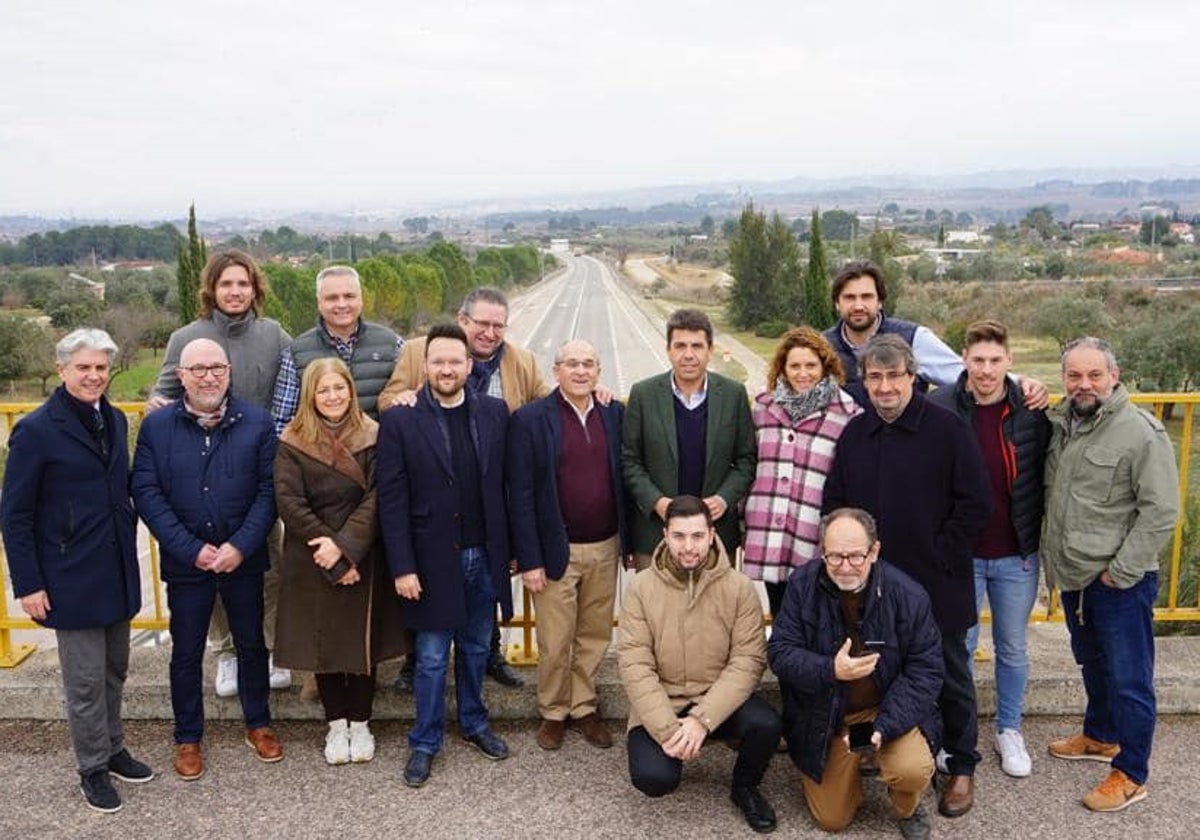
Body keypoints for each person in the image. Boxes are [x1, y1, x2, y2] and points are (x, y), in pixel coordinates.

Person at [823, 334, 991, 818]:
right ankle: (895, 750)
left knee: (951, 673)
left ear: (912, 378)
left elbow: (975, 502)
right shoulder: (856, 434)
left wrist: (941, 554)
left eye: (894, 376)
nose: (885, 387)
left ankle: (961, 765)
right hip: (872, 586)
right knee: (884, 673)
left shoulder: (948, 428)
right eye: (874, 377)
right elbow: (835, 502)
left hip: (939, 580)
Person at [1, 328, 153, 813]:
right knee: (84, 682)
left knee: (114, 671)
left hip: (115, 569)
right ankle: (91, 768)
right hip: (69, 577)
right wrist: (28, 583)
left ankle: (112, 748)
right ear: (62, 368)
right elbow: (16, 514)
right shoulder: (36, 430)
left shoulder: (112, 419)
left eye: (101, 368)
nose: (93, 376)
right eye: (83, 367)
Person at [380, 287, 548, 690]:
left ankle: (489, 656)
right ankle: (414, 664)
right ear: (462, 320)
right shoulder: (422, 351)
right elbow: (387, 398)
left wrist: (593, 394)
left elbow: (545, 407)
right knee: (430, 614)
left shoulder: (520, 361)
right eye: (481, 323)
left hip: (487, 501)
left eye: (498, 325)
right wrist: (403, 398)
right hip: (432, 499)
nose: (490, 332)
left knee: (482, 597)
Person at [132, 338, 283, 780]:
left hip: (243, 559)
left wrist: (240, 546)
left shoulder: (256, 423)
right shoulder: (157, 427)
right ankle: (187, 737)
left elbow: (268, 492)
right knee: (186, 651)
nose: (208, 376)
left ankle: (258, 724)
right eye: (197, 369)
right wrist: (190, 549)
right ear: (181, 376)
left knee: (252, 644)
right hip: (187, 564)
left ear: (229, 372)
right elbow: (147, 492)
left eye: (216, 367)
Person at [1041, 337, 1178, 812]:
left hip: (1120, 582)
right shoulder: (1064, 423)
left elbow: (1161, 511)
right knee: (1092, 663)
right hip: (1078, 577)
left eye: (1094, 375)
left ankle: (1132, 773)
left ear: (1114, 377)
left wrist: (1121, 572)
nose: (1084, 384)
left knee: (1129, 680)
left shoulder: (1140, 432)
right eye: (1074, 375)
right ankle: (1101, 736)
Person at [148, 249, 292, 698]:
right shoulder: (185, 338)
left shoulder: (275, 336)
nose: (235, 292)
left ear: (255, 289)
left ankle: (265, 651)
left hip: (257, 473)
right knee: (209, 570)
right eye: (227, 284)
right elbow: (162, 396)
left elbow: (290, 393)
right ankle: (227, 653)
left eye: (243, 284)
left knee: (268, 566)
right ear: (212, 288)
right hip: (200, 479)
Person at [378, 322, 513, 788]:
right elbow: (391, 499)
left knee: (476, 648)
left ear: (469, 365)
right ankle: (425, 740)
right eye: (438, 361)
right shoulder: (400, 419)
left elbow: (507, 488)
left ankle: (475, 723)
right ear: (425, 365)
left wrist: (510, 552)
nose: (447, 369)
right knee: (433, 657)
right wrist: (403, 566)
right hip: (431, 559)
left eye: (455, 361)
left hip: (484, 555)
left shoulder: (496, 412)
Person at [768, 508, 942, 839]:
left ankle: (905, 803)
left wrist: (884, 726)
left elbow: (926, 671)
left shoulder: (908, 595)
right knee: (832, 819)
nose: (845, 566)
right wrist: (829, 669)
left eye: (856, 556)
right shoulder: (802, 584)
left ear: (874, 551)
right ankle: (853, 773)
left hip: (884, 710)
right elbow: (779, 653)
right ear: (822, 551)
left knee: (910, 769)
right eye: (835, 556)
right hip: (827, 714)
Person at [617, 495, 782, 834]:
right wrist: (668, 730)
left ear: (711, 535)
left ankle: (745, 787)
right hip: (665, 704)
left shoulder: (738, 588)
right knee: (654, 779)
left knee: (766, 724)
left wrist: (702, 720)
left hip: (717, 703)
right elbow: (635, 664)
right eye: (679, 536)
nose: (688, 546)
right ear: (665, 534)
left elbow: (748, 660)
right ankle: (673, 749)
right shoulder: (641, 588)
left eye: (696, 536)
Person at [930, 320, 1050, 778]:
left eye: (995, 361)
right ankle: (957, 731)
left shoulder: (1031, 410)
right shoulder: (940, 406)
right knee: (959, 645)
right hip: (961, 554)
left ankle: (1009, 729)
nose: (985, 370)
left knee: (1013, 646)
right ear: (964, 359)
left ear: (1010, 362)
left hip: (1015, 552)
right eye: (977, 360)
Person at [272, 358, 406, 765]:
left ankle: (361, 724)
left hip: (362, 552)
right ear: (311, 396)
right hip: (312, 554)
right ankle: (336, 726)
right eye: (323, 390)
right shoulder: (292, 440)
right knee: (324, 644)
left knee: (360, 644)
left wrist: (346, 548)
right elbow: (289, 502)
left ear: (350, 390)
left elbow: (380, 496)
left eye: (339, 388)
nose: (332, 396)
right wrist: (329, 551)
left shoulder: (374, 435)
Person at [507, 339, 629, 751]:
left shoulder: (615, 413)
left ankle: (584, 707)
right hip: (555, 549)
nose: (580, 371)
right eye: (571, 364)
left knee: (594, 635)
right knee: (555, 640)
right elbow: (520, 493)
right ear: (556, 370)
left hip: (605, 544)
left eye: (589, 364)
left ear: (598, 372)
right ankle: (553, 711)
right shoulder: (530, 419)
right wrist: (530, 559)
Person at [622, 309, 756, 570]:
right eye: (680, 346)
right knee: (657, 611)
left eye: (697, 346)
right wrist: (657, 502)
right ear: (668, 349)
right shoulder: (643, 394)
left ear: (710, 350)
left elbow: (746, 459)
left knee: (715, 610)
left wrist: (724, 498)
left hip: (716, 536)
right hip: (655, 536)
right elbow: (629, 461)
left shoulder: (733, 394)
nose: (688, 355)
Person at [743, 326, 862, 616]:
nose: (803, 373)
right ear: (782, 369)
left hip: (812, 530)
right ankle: (783, 659)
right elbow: (749, 462)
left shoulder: (846, 415)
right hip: (769, 527)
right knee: (779, 608)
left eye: (811, 365)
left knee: (816, 610)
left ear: (825, 366)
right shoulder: (763, 409)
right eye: (794, 366)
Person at [823, 260, 1048, 411]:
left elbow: (964, 374)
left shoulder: (913, 338)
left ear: (880, 301)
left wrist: (1020, 382)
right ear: (836, 303)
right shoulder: (822, 348)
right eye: (850, 298)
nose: (858, 305)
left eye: (866, 297)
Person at [270, 264, 403, 434]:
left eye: (349, 296)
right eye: (332, 298)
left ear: (361, 299)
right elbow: (282, 422)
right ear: (319, 303)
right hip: (319, 456)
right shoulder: (296, 353)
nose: (342, 304)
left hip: (378, 454)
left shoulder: (392, 344)